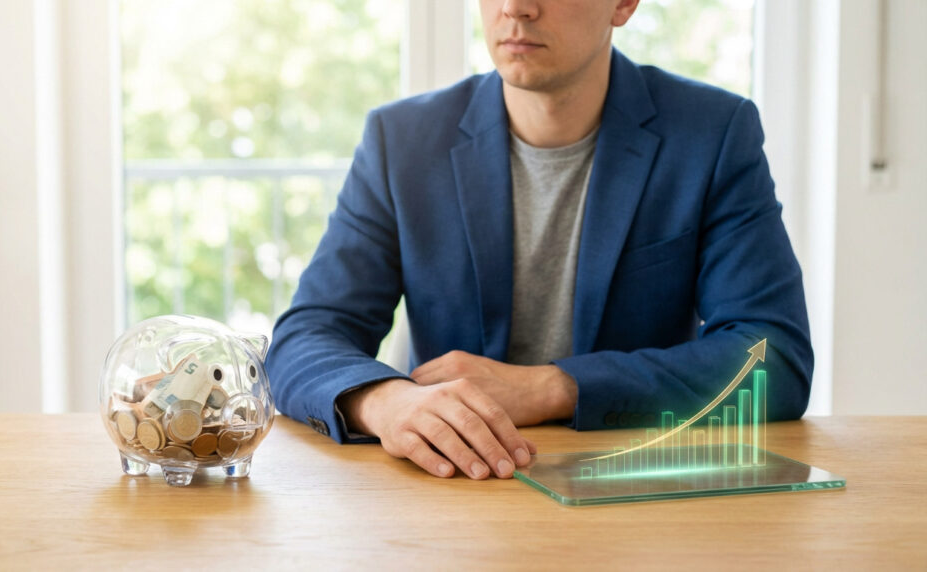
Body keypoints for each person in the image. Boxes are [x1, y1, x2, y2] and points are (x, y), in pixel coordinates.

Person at [265, 0, 813, 481]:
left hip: (636, 485)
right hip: (456, 486)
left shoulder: (712, 133)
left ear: (623, 4)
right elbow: (305, 338)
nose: (516, 7)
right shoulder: (403, 141)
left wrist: (552, 387)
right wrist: (386, 402)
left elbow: (774, 359)